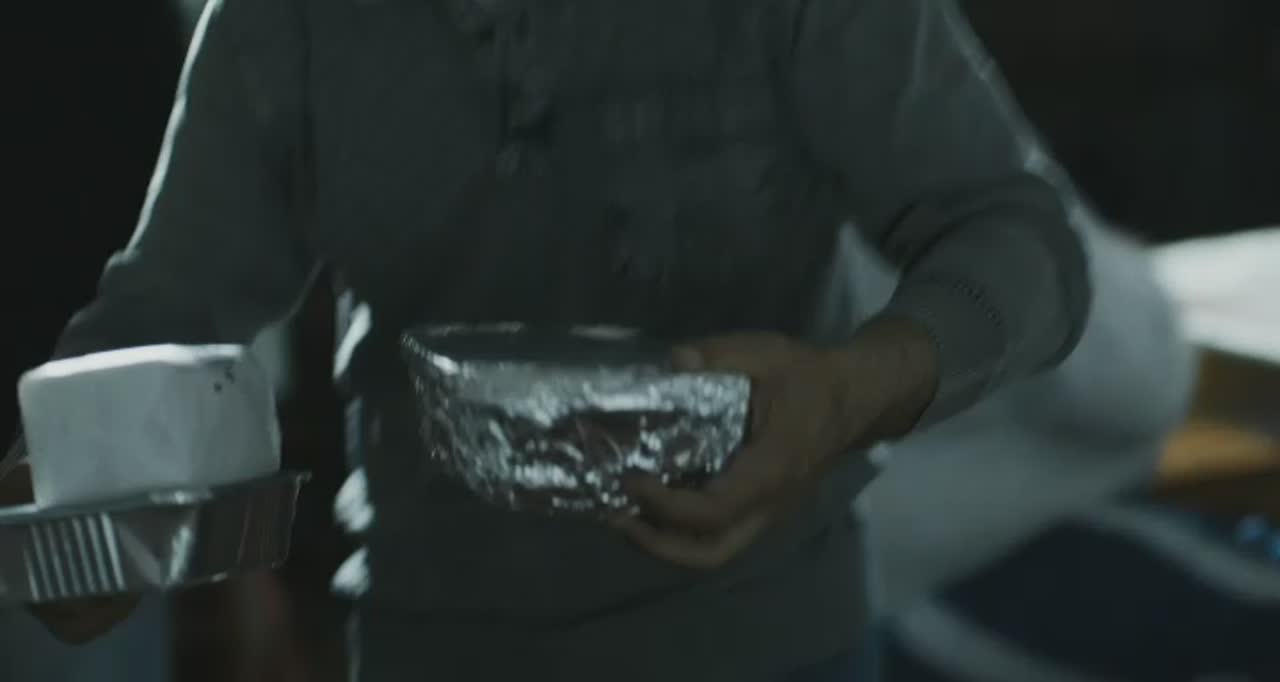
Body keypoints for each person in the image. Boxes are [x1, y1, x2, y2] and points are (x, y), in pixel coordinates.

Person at [7, 0, 1092, 680]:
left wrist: (847, 394)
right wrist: (74, 495)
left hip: (772, 646)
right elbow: (162, 312)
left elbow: (1021, 238)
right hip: (426, 647)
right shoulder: (284, 23)